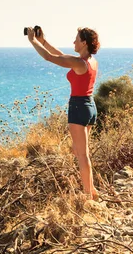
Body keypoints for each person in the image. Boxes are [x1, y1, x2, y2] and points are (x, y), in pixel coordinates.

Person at [26, 26, 100, 200]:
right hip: (90, 107)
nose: (73, 42)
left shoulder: (79, 63)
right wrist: (43, 41)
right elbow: (60, 55)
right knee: (79, 151)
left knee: (82, 154)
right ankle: (92, 188)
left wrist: (33, 41)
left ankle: (88, 194)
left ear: (83, 42)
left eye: (76, 39)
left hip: (78, 108)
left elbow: (50, 57)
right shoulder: (90, 62)